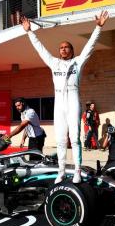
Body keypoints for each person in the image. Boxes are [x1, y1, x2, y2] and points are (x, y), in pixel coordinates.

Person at [21, 10, 109, 184]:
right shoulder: (54, 62)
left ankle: (76, 170)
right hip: (59, 103)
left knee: (75, 138)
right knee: (61, 140)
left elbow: (90, 46)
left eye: (66, 47)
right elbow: (40, 49)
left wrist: (98, 27)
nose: (63, 49)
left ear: (71, 49)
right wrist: (29, 31)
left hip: (73, 100)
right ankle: (61, 171)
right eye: (61, 48)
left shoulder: (78, 61)